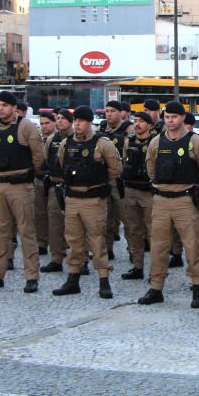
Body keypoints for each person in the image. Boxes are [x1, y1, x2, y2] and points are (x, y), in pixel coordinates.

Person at [137, 101, 199, 308]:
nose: (170, 121)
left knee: (192, 245)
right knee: (158, 246)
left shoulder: (195, 141)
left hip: (185, 200)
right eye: (167, 117)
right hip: (161, 200)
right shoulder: (156, 142)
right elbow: (151, 170)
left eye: (174, 117)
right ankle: (156, 288)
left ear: (182, 118)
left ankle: (198, 287)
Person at [0, 91, 47, 293]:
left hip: (20, 185)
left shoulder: (25, 126)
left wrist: (26, 174)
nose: (0, 108)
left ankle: (31, 276)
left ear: (13, 107)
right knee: (1, 231)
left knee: (26, 231)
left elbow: (38, 155)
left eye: (5, 105)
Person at [51, 105, 123, 299]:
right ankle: (73, 280)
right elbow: (61, 162)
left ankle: (103, 280)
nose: (77, 124)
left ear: (90, 122)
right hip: (72, 198)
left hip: (93, 199)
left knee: (97, 241)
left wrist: (96, 181)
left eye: (81, 120)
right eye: (75, 120)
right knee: (73, 241)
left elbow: (115, 169)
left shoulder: (103, 143)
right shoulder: (67, 143)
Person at [119, 111, 155, 280]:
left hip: (149, 192)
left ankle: (155, 270)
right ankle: (137, 265)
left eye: (142, 121)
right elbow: (125, 162)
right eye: (136, 121)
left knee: (153, 232)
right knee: (134, 230)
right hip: (131, 190)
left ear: (149, 124)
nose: (138, 124)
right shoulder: (129, 142)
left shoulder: (155, 142)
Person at [40, 109, 74, 272]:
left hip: (74, 188)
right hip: (56, 186)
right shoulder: (51, 140)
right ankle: (56, 258)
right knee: (55, 224)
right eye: (58, 118)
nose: (60, 121)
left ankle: (80, 260)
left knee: (77, 226)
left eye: (63, 119)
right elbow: (46, 160)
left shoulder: (77, 138)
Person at [100, 101, 134, 257]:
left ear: (121, 112)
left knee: (127, 218)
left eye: (112, 111)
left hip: (121, 180)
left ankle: (134, 250)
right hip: (104, 178)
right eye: (107, 111)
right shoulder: (101, 129)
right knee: (104, 218)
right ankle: (106, 249)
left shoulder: (129, 129)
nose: (109, 114)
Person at [33, 111, 57, 255]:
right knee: (39, 214)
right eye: (42, 124)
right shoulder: (37, 139)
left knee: (56, 216)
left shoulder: (59, 139)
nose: (44, 126)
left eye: (47, 123)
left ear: (54, 123)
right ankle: (41, 243)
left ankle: (60, 244)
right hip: (39, 179)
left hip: (54, 180)